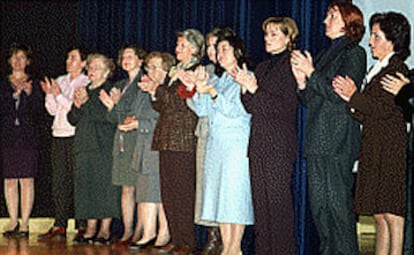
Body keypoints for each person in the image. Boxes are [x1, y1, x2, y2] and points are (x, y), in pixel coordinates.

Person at [290, 2, 366, 254]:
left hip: (337, 141)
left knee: (338, 208)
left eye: (332, 16)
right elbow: (310, 100)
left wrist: (311, 73)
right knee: (320, 209)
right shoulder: (324, 55)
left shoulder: (354, 53)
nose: (325, 21)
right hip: (317, 140)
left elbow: (339, 94)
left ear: (348, 21)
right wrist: (302, 82)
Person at [333, 12, 411, 255]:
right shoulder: (377, 69)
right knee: (379, 213)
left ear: (391, 39)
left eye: (376, 36)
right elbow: (366, 112)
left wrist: (354, 96)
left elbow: (384, 109)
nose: (370, 41)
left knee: (392, 214)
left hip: (389, 147)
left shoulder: (397, 68)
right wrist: (352, 98)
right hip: (374, 145)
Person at [234, 17, 299, 255]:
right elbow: (252, 106)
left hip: (279, 145)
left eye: (274, 34)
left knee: (278, 207)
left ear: (288, 38)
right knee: (261, 208)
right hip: (259, 143)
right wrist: (244, 88)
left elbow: (284, 107)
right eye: (266, 34)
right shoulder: (262, 67)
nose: (267, 39)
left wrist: (254, 89)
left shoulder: (292, 64)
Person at [191, 29, 254, 255]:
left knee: (234, 197)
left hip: (236, 145)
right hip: (216, 145)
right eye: (218, 50)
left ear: (237, 51)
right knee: (221, 199)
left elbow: (239, 111)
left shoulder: (245, 76)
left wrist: (214, 94)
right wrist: (200, 90)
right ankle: (228, 248)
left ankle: (234, 248)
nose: (220, 53)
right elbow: (202, 111)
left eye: (225, 49)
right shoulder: (219, 79)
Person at [142, 28, 204, 254]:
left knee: (183, 193)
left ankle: (187, 241)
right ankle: (177, 239)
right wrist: (152, 92)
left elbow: (179, 101)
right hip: (167, 137)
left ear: (195, 49)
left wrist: (156, 88)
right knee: (168, 192)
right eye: (177, 45)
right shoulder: (176, 71)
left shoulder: (196, 70)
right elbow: (161, 104)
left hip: (184, 139)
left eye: (182, 46)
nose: (177, 49)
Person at [119, 51, 175, 249]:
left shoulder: (166, 90)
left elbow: (162, 119)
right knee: (144, 193)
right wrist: (132, 120)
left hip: (158, 146)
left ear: (166, 70)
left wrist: (138, 124)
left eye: (155, 67)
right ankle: (148, 232)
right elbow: (138, 112)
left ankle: (163, 234)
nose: (150, 71)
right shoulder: (145, 90)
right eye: (149, 67)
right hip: (142, 146)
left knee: (158, 194)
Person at [37, 46, 89, 241]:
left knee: (78, 181)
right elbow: (52, 110)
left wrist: (58, 95)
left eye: (73, 58)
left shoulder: (86, 82)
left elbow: (73, 110)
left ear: (84, 63)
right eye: (68, 58)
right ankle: (60, 224)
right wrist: (50, 94)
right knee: (59, 181)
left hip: (76, 135)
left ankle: (82, 224)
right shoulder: (60, 80)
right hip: (58, 135)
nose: (68, 61)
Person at [68, 53, 120, 244]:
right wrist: (77, 105)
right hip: (83, 145)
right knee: (86, 188)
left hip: (103, 146)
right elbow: (72, 119)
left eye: (96, 67)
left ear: (107, 71)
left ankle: (105, 230)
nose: (91, 71)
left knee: (104, 188)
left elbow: (108, 117)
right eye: (89, 67)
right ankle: (90, 228)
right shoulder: (84, 91)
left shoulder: (110, 90)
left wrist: (91, 104)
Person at [98, 45, 146, 245]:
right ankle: (127, 231)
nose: (125, 59)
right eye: (123, 56)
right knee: (126, 189)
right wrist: (112, 107)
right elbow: (114, 119)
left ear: (140, 60)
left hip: (137, 140)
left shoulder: (144, 82)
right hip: (121, 143)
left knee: (140, 189)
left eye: (130, 56)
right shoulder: (120, 84)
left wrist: (114, 106)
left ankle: (141, 232)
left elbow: (135, 113)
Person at [0, 43, 43, 238]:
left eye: (22, 57)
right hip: (8, 136)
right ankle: (12, 220)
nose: (17, 61)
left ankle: (25, 223)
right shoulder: (3, 83)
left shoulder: (34, 83)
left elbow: (40, 112)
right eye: (14, 57)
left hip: (28, 137)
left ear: (28, 61)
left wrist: (29, 94)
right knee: (10, 180)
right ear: (9, 61)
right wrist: (13, 96)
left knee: (27, 180)